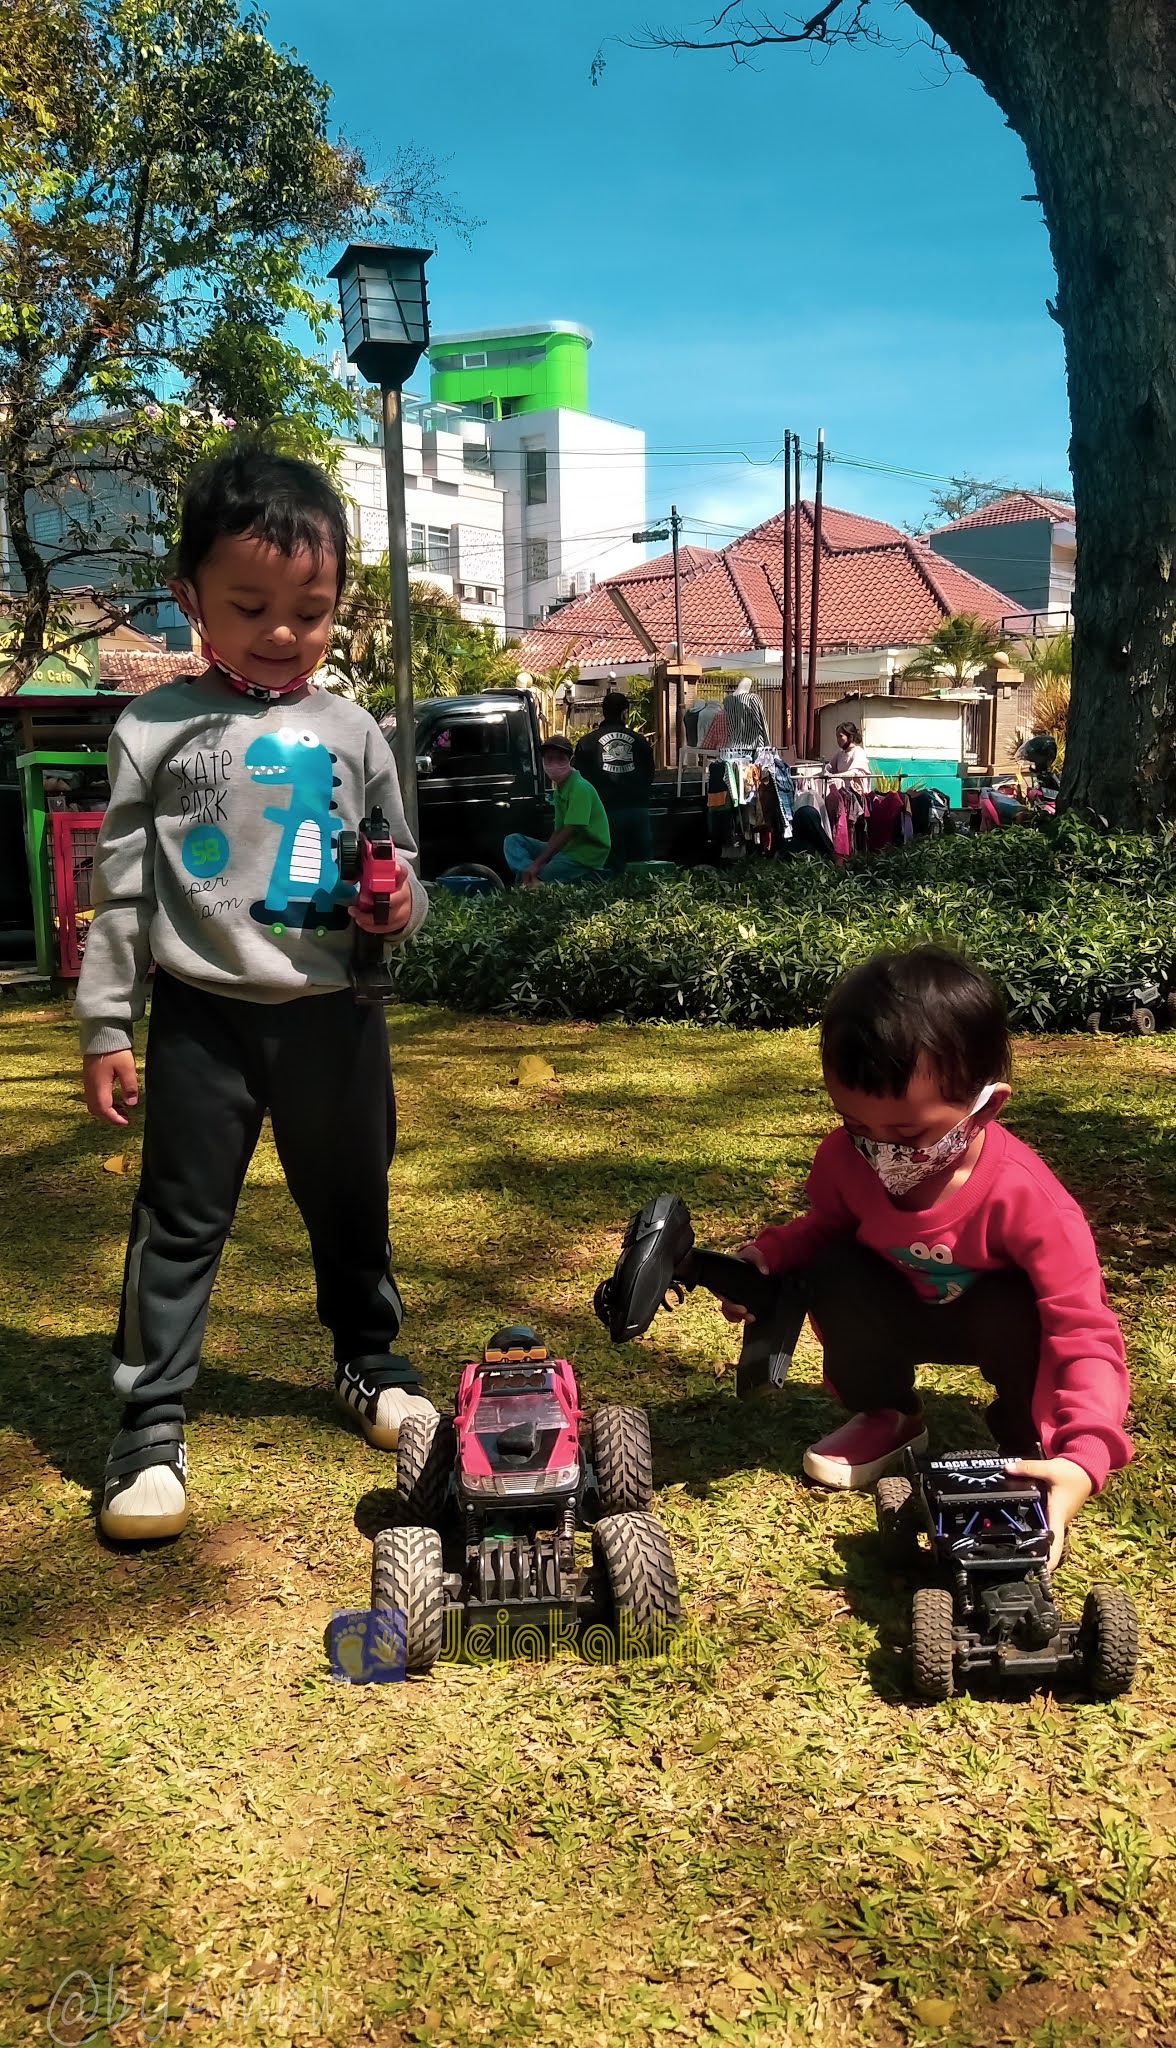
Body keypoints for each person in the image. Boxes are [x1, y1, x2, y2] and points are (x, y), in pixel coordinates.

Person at [76, 441, 436, 1543]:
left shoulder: (355, 730)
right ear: (190, 597)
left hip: (336, 1016)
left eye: (311, 610)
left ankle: (370, 1363)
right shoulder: (155, 727)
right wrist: (105, 1023)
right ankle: (149, 1425)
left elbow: (403, 862)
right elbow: (123, 890)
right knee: (180, 1220)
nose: (283, 632)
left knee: (352, 1199)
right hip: (202, 1021)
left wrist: (393, 908)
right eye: (251, 605)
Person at [719, 946, 1131, 1566]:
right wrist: (764, 1260)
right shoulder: (843, 1159)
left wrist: (1084, 1455)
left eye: (907, 1134)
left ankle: (1031, 1442)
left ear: (983, 1106)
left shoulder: (1030, 1198)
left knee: (1021, 1307)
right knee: (833, 1265)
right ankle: (887, 1412)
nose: (879, 1151)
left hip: (998, 1324)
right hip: (899, 1309)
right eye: (855, 1124)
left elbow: (1084, 1330)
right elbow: (825, 1227)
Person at [503, 734, 611, 885]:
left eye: (560, 758)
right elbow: (558, 830)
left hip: (584, 855)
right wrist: (543, 859)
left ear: (571, 761)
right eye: (549, 759)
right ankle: (533, 878)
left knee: (545, 871)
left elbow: (569, 830)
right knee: (513, 841)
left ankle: (534, 878)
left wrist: (538, 863)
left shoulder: (580, 788)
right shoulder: (560, 789)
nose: (554, 764)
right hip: (565, 850)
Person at [573, 689, 655, 866]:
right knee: (641, 868)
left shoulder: (587, 742)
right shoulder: (640, 741)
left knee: (609, 868)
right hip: (637, 811)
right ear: (625, 712)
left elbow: (578, 780)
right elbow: (650, 775)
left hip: (603, 814)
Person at [826, 719, 871, 791]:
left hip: (855, 793)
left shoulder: (858, 752)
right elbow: (829, 767)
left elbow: (854, 772)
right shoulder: (840, 754)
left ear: (850, 737)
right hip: (842, 791)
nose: (838, 739)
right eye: (837, 736)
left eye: (840, 736)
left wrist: (834, 776)